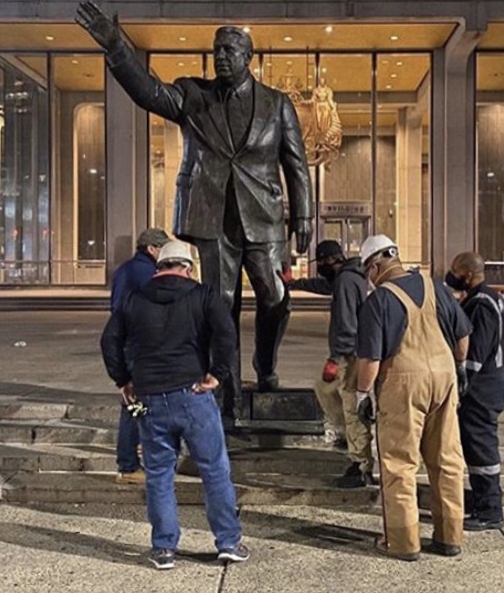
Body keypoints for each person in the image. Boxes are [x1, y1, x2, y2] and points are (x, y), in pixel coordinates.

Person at [76, 1, 313, 416]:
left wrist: (305, 214)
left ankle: (266, 364)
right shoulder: (192, 94)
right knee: (221, 303)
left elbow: (295, 162)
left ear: (248, 58)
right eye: (216, 49)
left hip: (263, 218)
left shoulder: (277, 104)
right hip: (211, 214)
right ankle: (228, 385)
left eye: (229, 50)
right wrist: (117, 48)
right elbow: (148, 92)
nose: (221, 57)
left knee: (276, 298)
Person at [100, 239, 249, 570]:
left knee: (159, 474)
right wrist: (217, 374)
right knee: (214, 471)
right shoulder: (203, 295)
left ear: (159, 269)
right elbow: (227, 334)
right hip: (193, 395)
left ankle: (164, 548)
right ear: (188, 267)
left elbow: (110, 341)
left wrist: (123, 380)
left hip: (151, 398)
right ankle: (228, 541)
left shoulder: (134, 299)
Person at [355, 234, 472, 561]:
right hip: (444, 375)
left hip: (403, 382)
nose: (369, 277)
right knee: (447, 459)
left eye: (368, 270)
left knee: (399, 464)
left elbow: (370, 361)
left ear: (376, 265)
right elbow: (463, 336)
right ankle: (450, 537)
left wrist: (363, 395)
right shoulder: (436, 287)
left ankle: (403, 543)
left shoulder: (378, 301)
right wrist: (460, 369)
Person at [286, 239, 374, 488]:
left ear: (330, 260)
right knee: (326, 391)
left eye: (322, 262)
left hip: (350, 354)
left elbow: (347, 324)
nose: (321, 267)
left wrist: (335, 358)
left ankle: (360, 465)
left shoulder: (346, 281)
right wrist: (294, 283)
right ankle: (349, 438)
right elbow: (324, 285)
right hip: (356, 351)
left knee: (351, 405)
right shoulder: (349, 275)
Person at [446, 251, 504, 532]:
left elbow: (475, 355)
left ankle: (490, 509)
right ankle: (483, 500)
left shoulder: (482, 304)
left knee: (482, 449)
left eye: (455, 271)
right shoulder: (490, 298)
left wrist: (461, 385)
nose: (452, 276)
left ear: (468, 275)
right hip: (490, 385)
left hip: (483, 389)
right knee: (475, 447)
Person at [110, 227, 171, 483]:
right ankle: (127, 464)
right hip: (140, 345)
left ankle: (131, 457)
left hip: (127, 342)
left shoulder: (125, 269)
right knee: (134, 405)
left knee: (134, 402)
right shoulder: (147, 273)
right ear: (152, 249)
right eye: (164, 250)